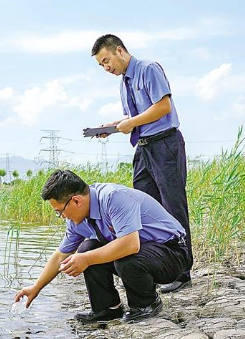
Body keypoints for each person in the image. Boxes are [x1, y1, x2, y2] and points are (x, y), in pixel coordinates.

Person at [14, 170, 190, 323]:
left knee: (116, 255)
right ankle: (107, 309)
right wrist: (36, 288)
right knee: (86, 249)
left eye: (60, 211)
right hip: (144, 253)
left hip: (172, 253)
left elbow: (130, 244)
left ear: (76, 201)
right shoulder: (77, 221)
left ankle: (146, 304)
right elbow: (60, 255)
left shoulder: (114, 197)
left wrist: (87, 259)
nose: (62, 216)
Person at [91, 34, 192, 293]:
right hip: (143, 148)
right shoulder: (124, 82)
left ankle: (182, 272)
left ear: (120, 51)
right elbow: (134, 117)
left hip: (165, 143)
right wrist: (113, 126)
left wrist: (131, 123)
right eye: (101, 65)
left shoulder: (148, 69)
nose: (106, 68)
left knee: (173, 206)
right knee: (144, 209)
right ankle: (154, 266)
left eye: (106, 60)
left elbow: (163, 107)